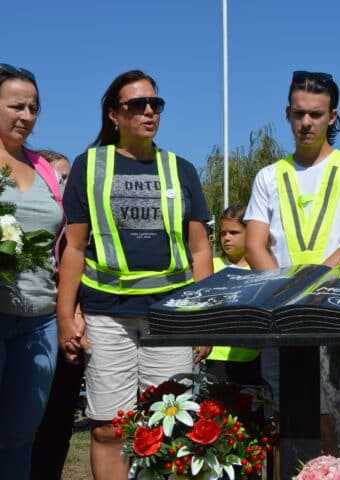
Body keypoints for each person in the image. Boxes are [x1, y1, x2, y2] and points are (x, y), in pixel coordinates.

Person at [56, 70, 212, 480]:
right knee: (109, 428)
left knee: (169, 424)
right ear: (114, 114)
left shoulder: (181, 169)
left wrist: (203, 320)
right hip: (107, 315)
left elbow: (200, 250)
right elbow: (74, 247)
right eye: (137, 105)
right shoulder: (89, 166)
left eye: (155, 104)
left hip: (170, 317)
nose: (149, 112)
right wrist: (65, 316)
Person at [244, 70, 340, 457]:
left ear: (332, 117)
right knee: (281, 417)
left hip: (334, 310)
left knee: (333, 419)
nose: (306, 122)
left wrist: (312, 290)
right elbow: (254, 245)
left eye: (316, 114)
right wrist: (285, 295)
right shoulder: (268, 176)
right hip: (281, 312)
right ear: (287, 113)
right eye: (299, 113)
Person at [0, 64, 64, 478]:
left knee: (20, 436)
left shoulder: (46, 170)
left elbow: (68, 243)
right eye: (16, 106)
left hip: (41, 322)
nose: (26, 116)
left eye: (33, 108)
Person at [30, 150, 83, 480]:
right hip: (30, 325)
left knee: (59, 421)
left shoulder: (79, 231)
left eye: (67, 179)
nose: (63, 185)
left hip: (68, 331)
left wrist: (76, 312)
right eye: (57, 178)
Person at [205, 204, 262, 386]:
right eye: (223, 233)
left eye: (234, 232)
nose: (227, 238)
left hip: (253, 356)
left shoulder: (262, 268)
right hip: (214, 356)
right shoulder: (210, 266)